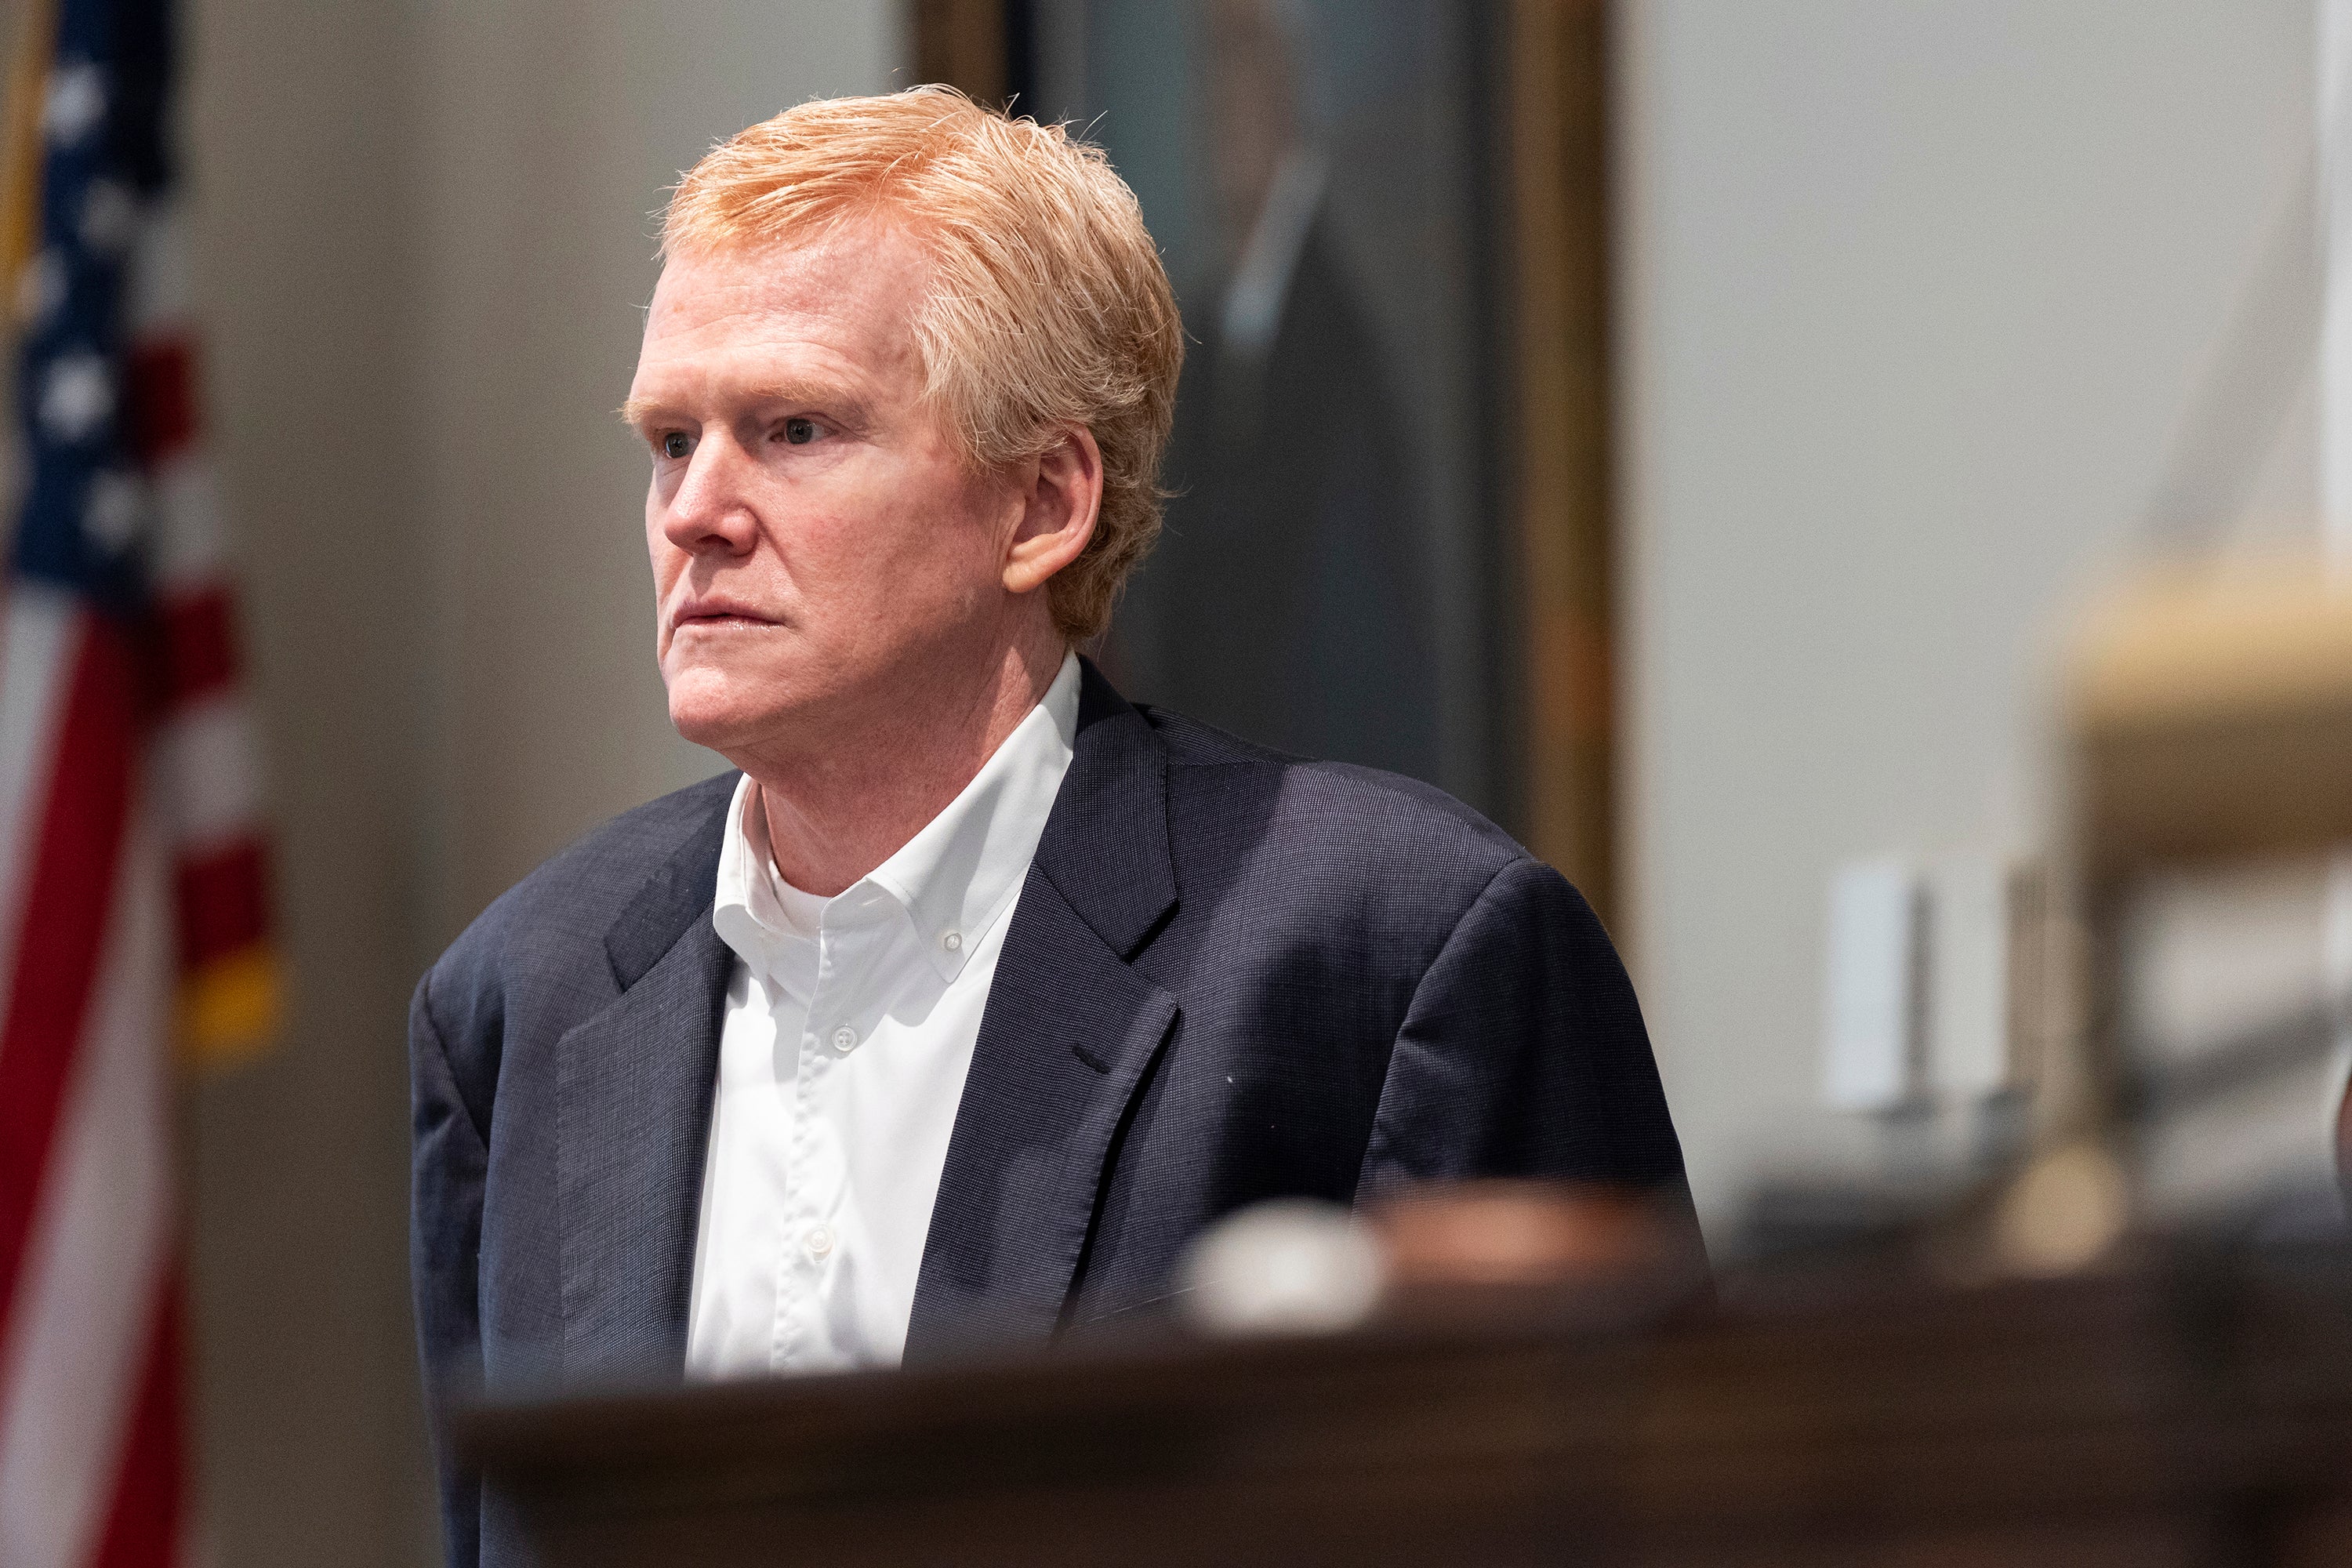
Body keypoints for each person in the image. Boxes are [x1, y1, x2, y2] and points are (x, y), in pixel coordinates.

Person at [409, 86, 1692, 1568]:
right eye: (669, 439)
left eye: (794, 427)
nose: (696, 508)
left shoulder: (1394, 963)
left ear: (1041, 503)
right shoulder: (518, 1000)